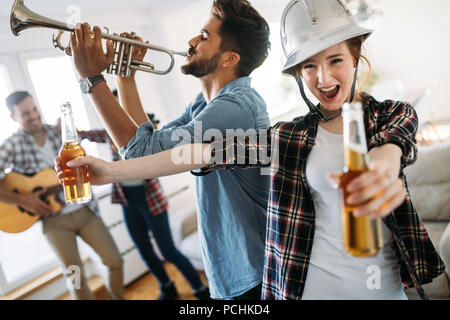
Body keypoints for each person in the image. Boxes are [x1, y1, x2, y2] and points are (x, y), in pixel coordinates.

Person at [57, 0, 445, 300]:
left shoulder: (392, 115)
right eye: (308, 67)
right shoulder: (288, 137)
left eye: (336, 60)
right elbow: (205, 153)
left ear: (356, 57)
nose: (322, 78)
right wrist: (111, 172)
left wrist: (381, 171)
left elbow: (392, 145)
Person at [67, 0, 272, 300]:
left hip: (251, 273)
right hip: (231, 269)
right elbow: (148, 146)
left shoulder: (236, 107)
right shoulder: (204, 105)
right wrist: (126, 76)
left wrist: (92, 79)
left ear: (229, 58)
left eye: (203, 37)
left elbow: (139, 152)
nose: (191, 42)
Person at [78, 95, 210, 300]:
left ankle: (200, 289)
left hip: (151, 199)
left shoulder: (143, 126)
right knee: (144, 250)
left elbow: (156, 142)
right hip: (127, 200)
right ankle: (167, 287)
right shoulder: (109, 132)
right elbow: (88, 134)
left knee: (168, 250)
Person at [0, 91, 124, 300]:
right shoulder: (11, 145)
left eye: (34, 109)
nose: (33, 115)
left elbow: (92, 142)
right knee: (75, 277)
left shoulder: (60, 133)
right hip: (53, 222)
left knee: (115, 261)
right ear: (14, 118)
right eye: (25, 113)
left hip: (85, 211)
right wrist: (23, 200)